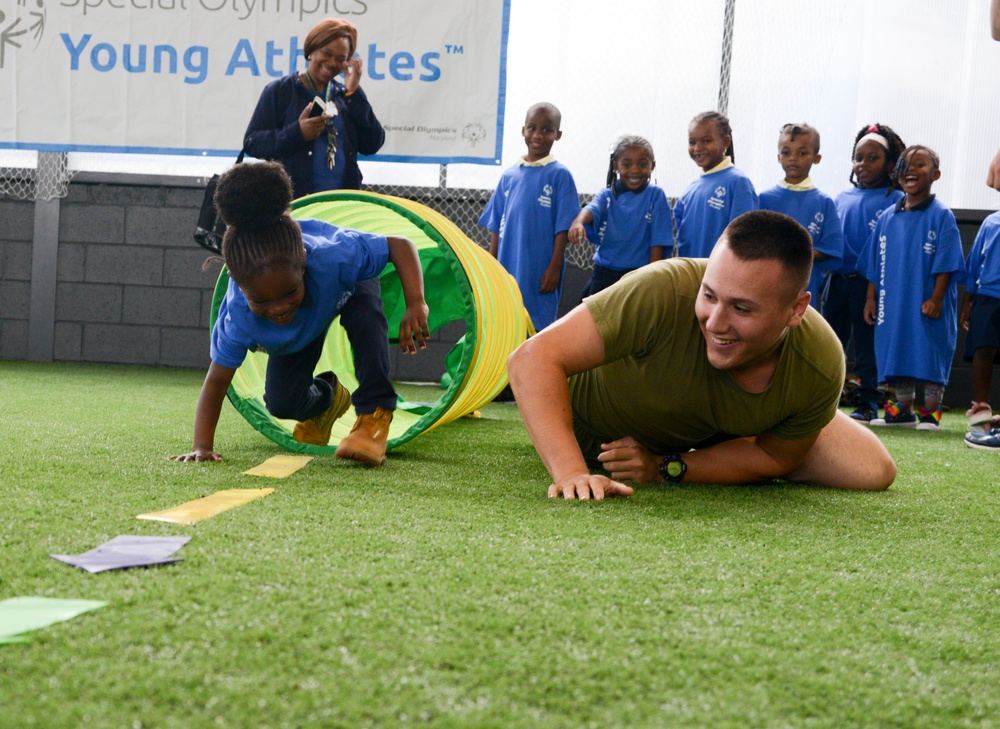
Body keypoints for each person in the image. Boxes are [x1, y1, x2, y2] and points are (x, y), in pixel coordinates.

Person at [506, 210, 897, 500]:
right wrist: (572, 472)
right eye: (709, 295)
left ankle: (758, 426)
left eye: (742, 309)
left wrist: (665, 467)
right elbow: (531, 358)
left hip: (690, 436)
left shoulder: (819, 359)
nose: (715, 322)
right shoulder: (663, 289)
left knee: (873, 470)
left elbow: (776, 458)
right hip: (587, 429)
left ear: (796, 310)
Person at [171, 162, 429, 467]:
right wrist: (202, 446)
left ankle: (374, 414)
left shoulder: (335, 256)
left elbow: (400, 245)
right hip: (304, 323)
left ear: (304, 264)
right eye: (262, 302)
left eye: (289, 292)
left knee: (365, 316)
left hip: (342, 288)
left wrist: (416, 304)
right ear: (239, 287)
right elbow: (216, 383)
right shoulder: (238, 317)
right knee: (281, 402)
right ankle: (329, 399)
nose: (279, 308)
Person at [859, 146, 965, 431]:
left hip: (927, 302)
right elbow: (873, 261)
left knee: (929, 352)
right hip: (893, 301)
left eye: (920, 165)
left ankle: (931, 415)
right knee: (898, 352)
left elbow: (947, 261)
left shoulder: (941, 216)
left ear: (935, 174)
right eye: (906, 164)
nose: (911, 170)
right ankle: (900, 412)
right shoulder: (886, 217)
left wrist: (936, 298)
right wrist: (871, 298)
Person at [242, 17, 384, 199]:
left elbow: (373, 144)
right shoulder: (281, 91)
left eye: (341, 58)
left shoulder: (346, 96)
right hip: (295, 206)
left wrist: (354, 93)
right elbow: (253, 143)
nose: (332, 63)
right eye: (327, 53)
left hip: (342, 207)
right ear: (311, 51)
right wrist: (298, 133)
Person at [823, 123, 906, 423]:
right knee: (830, 340)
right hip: (836, 281)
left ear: (890, 164)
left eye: (873, 158)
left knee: (867, 344)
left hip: (869, 286)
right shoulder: (841, 198)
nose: (863, 164)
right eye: (859, 157)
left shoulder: (896, 201)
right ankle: (825, 400)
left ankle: (869, 402)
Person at [479, 102, 580, 331]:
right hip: (507, 269)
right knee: (505, 325)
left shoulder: (560, 175)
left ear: (558, 135)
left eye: (547, 130)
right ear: (523, 130)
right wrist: (492, 266)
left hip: (539, 272)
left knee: (536, 328)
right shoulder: (509, 175)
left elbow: (563, 227)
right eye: (532, 128)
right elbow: (496, 224)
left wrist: (554, 267)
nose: (538, 135)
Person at [567, 134, 673, 298]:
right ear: (615, 166)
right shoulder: (607, 195)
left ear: (653, 165)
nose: (635, 169)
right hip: (604, 275)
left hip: (638, 277)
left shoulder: (655, 196)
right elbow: (592, 209)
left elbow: (658, 242)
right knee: (594, 320)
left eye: (643, 164)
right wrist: (578, 222)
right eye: (627, 164)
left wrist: (652, 278)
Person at [759, 123, 844, 310]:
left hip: (805, 290)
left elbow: (833, 250)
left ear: (817, 158)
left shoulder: (824, 203)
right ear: (778, 156)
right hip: (765, 287)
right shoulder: (763, 199)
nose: (793, 159)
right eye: (786, 152)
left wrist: (793, 253)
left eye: (802, 153)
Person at [672, 111, 758, 259]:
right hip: (691, 275)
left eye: (706, 141)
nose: (698, 148)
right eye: (692, 142)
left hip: (721, 277)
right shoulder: (691, 189)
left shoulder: (738, 183)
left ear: (725, 142)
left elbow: (745, 238)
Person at [959, 211, 1000, 440]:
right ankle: (981, 409)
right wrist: (968, 300)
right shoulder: (990, 221)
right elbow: (974, 263)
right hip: (987, 297)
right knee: (983, 349)